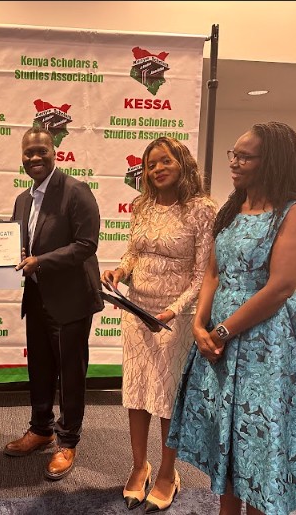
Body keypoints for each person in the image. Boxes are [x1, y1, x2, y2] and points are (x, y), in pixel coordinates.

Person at [166, 122, 296, 515]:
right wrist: (198, 325)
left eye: (245, 157)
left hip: (268, 344)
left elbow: (280, 288)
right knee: (227, 433)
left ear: (273, 161)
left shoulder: (294, 212)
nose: (234, 162)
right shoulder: (233, 208)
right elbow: (213, 272)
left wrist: (221, 331)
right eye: (234, 154)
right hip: (220, 340)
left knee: (260, 438)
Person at [102, 137, 217, 511]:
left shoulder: (202, 210)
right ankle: (140, 466)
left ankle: (168, 473)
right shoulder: (142, 206)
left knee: (167, 398)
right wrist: (120, 272)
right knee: (137, 392)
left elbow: (202, 274)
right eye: (151, 165)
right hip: (137, 311)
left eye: (165, 161)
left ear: (183, 163)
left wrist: (174, 310)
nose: (157, 169)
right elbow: (134, 253)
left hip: (175, 318)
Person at [4, 126, 104, 480]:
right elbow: (18, 243)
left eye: (41, 151)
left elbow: (86, 244)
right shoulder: (23, 199)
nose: (34, 157)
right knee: (40, 368)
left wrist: (40, 261)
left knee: (71, 373)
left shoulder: (75, 191)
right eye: (28, 152)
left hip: (71, 299)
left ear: (54, 152)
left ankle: (68, 440)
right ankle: (41, 428)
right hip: (36, 297)